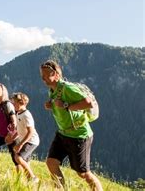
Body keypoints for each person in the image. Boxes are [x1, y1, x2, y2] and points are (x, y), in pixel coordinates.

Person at [40, 60, 103, 191]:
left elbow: (88, 103)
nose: (43, 78)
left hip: (79, 135)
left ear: (56, 74)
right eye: (42, 75)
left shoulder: (67, 88)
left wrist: (65, 105)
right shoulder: (52, 90)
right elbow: (60, 106)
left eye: (46, 75)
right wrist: (51, 106)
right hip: (62, 133)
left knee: (83, 173)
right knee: (51, 163)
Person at [10, 92, 40, 183]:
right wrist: (13, 136)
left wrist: (20, 144)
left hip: (32, 141)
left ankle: (32, 178)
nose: (13, 104)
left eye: (14, 103)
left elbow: (30, 132)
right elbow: (20, 129)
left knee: (18, 158)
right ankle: (29, 182)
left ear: (21, 102)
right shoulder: (18, 113)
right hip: (27, 140)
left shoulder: (26, 115)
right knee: (25, 161)